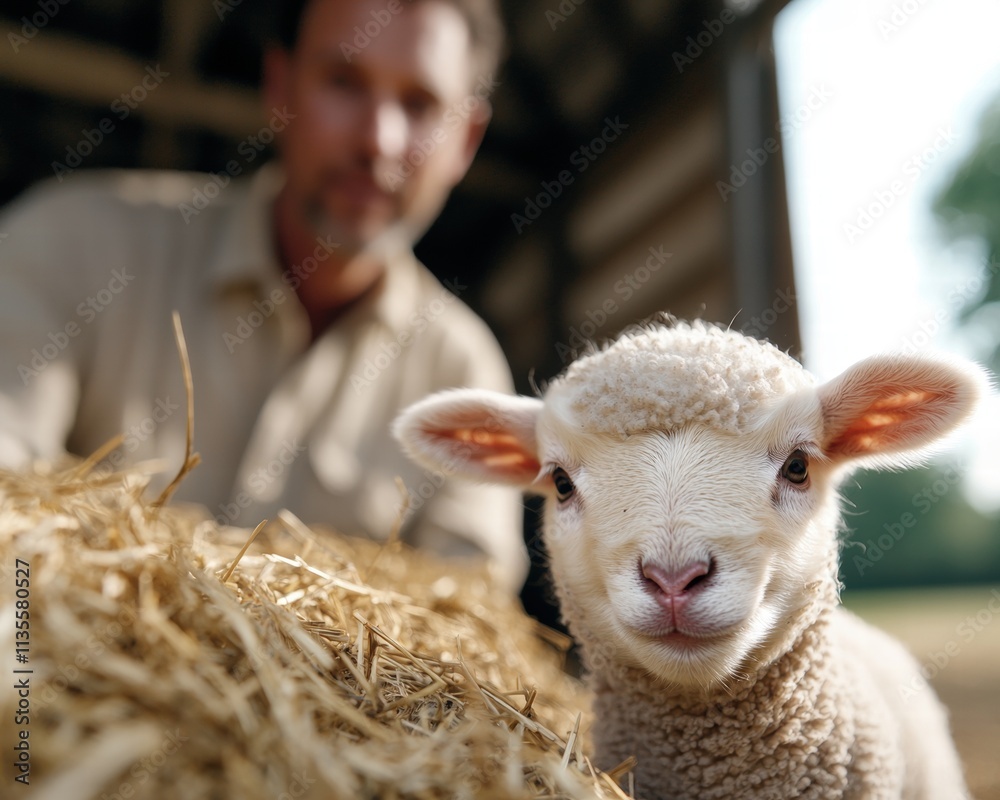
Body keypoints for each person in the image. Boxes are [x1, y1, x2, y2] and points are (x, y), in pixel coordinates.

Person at [0, 0, 528, 591]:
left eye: (420, 103)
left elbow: (469, 607)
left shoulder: (465, 377)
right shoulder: (72, 243)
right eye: (343, 82)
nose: (378, 140)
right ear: (280, 88)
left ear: (466, 139)